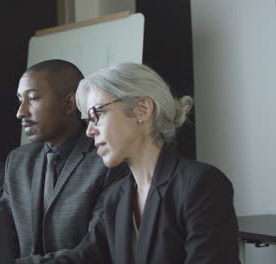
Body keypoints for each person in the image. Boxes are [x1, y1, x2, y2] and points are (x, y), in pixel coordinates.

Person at [46, 63, 240, 264]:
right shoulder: (115, 197)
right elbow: (83, 259)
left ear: (142, 110)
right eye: (89, 120)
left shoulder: (201, 184)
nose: (89, 131)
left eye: (98, 114)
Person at [0, 59, 128, 264]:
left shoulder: (107, 160)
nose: (20, 112)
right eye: (19, 100)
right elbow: (2, 235)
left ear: (69, 103)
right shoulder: (18, 161)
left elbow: (97, 250)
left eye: (32, 98)